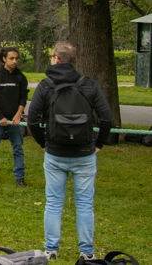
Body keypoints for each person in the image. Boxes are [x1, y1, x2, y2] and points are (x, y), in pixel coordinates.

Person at [27, 41, 112, 261]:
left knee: (54, 202)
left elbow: (33, 120)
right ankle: (87, 252)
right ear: (73, 61)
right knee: (85, 203)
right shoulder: (89, 85)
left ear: (55, 59)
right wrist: (99, 143)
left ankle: (51, 249)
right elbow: (106, 118)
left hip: (55, 152)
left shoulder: (45, 86)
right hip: (84, 153)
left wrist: (43, 144)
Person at [0, 47, 29, 186]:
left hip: (15, 121)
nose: (15, 61)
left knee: (18, 148)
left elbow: (23, 98)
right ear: (4, 59)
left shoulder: (21, 77)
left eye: (16, 58)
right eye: (11, 58)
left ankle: (19, 177)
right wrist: (0, 117)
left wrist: (18, 115)